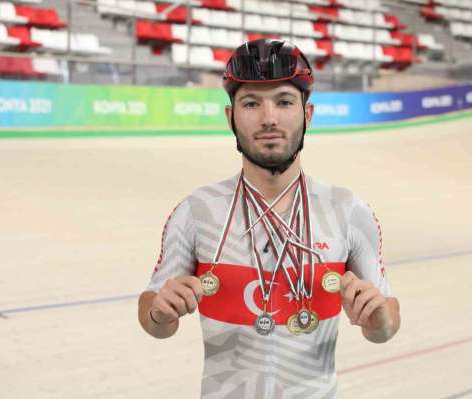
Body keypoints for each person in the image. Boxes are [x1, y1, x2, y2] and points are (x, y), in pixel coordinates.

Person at [138, 39, 401, 398]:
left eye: (284, 101)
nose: (269, 118)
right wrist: (158, 314)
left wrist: (380, 324)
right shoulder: (196, 211)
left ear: (307, 114)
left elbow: (386, 321)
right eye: (251, 103)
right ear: (231, 117)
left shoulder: (349, 210)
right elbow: (153, 317)